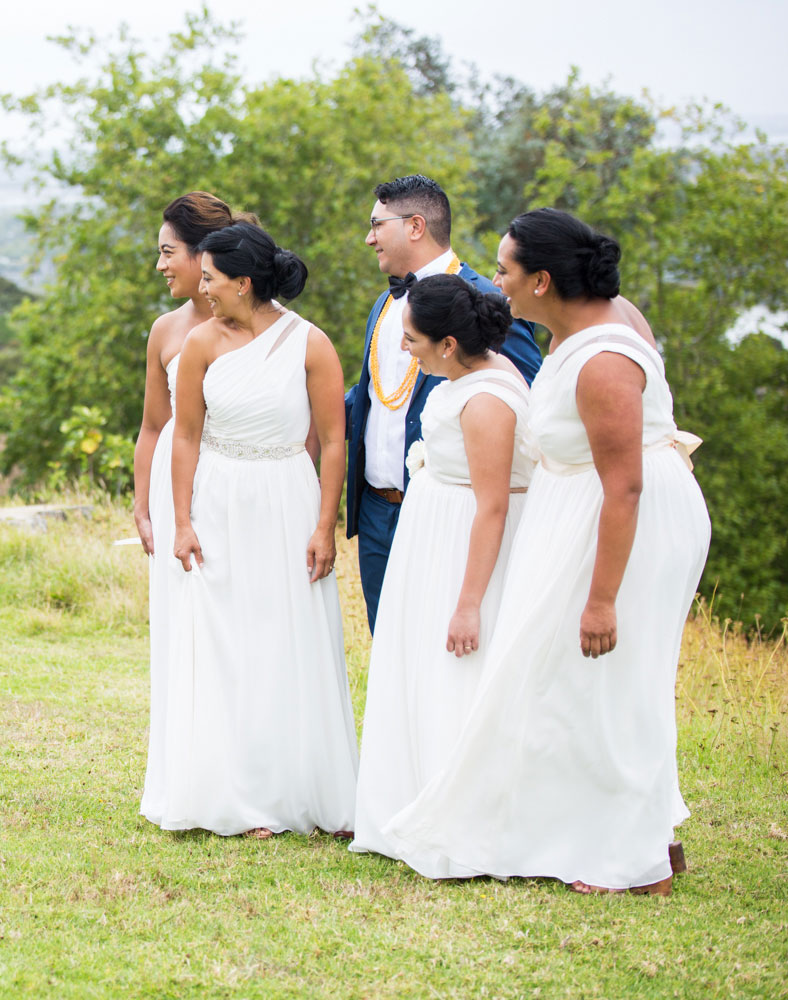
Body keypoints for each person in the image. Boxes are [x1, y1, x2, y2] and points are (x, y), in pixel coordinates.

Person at [382, 208, 711, 894]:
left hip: (624, 521)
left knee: (610, 678)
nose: (494, 283)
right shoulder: (591, 321)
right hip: (588, 509)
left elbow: (625, 486)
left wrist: (600, 600)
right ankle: (623, 832)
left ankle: (634, 859)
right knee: (577, 684)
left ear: (541, 279)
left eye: (503, 270)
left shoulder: (604, 361)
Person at [151, 221, 358, 837]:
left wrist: (326, 525)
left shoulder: (310, 343)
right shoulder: (200, 345)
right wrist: (182, 521)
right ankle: (233, 796)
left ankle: (299, 788)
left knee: (286, 637)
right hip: (218, 499)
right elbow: (183, 435)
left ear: (244, 281)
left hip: (288, 498)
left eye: (210, 277)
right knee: (223, 641)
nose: (202, 288)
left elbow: (334, 438)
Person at [349, 275, 533, 870]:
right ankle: (411, 794)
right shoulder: (464, 379)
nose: (407, 349)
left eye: (413, 339)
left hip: (463, 551)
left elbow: (494, 505)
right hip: (434, 543)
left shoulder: (486, 400)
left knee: (459, 671)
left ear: (448, 344)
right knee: (421, 669)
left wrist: (468, 602)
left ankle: (461, 815)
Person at [346, 175, 542, 632]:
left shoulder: (487, 299)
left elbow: (524, 399)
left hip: (451, 516)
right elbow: (372, 394)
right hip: (376, 511)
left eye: (377, 224)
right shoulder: (385, 303)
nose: (368, 237)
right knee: (392, 649)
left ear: (415, 226)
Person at [136, 192, 253, 823]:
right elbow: (155, 426)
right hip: (175, 489)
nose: (161, 265)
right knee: (188, 634)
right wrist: (143, 502)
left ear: (205, 254)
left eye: (167, 251)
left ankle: (252, 772)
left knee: (240, 625)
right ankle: (195, 773)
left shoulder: (271, 324)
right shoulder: (166, 330)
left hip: (244, 485)